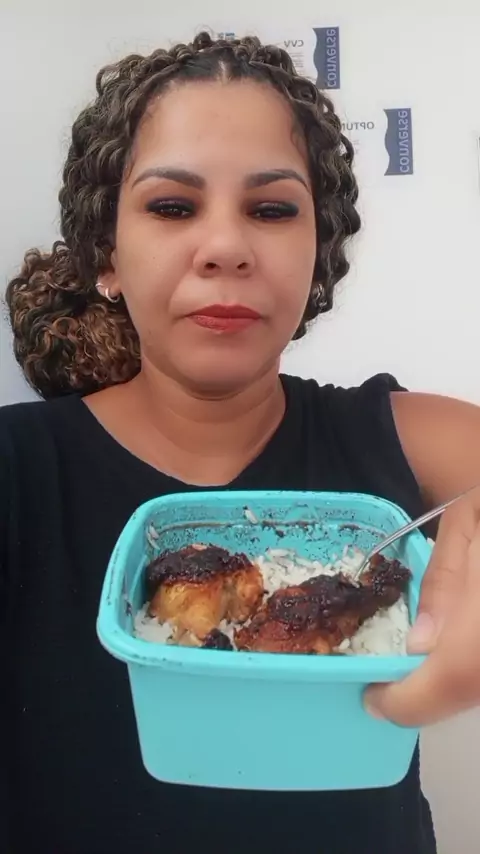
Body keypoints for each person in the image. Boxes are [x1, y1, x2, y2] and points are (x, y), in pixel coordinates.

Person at [1, 30, 480, 854]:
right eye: (172, 207)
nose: (225, 247)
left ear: (317, 251)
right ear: (106, 255)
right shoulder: (17, 470)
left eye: (271, 209)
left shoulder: (408, 438)